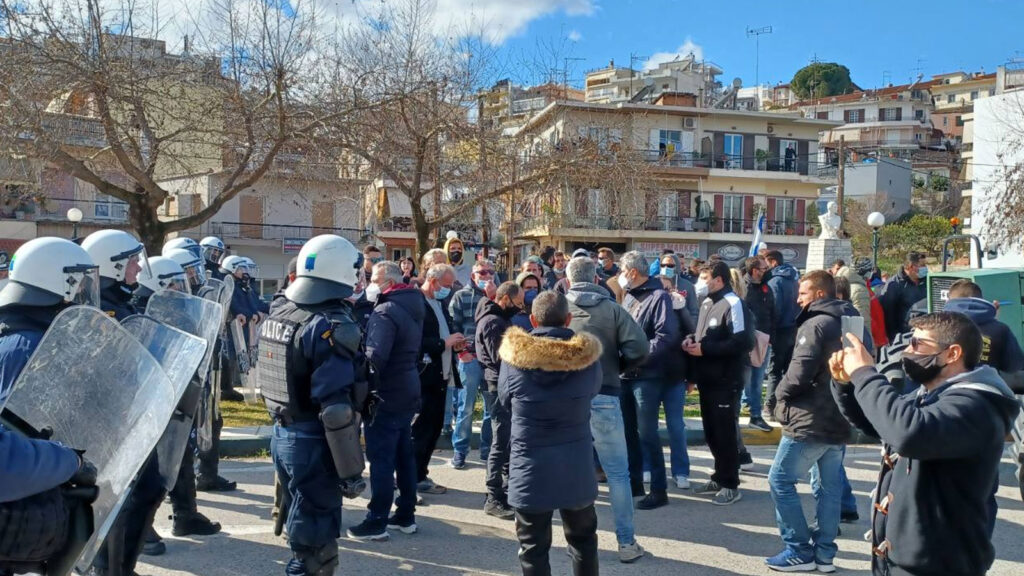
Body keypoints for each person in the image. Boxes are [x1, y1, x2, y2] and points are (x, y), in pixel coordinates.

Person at [830, 312, 1019, 576]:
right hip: (900, 561)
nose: (908, 352)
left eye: (917, 344)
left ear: (952, 353)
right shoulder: (930, 395)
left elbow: (909, 434)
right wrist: (846, 385)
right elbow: (880, 424)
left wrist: (864, 372)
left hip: (942, 566)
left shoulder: (976, 406)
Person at [257, 235, 366, 575]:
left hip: (284, 434)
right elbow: (335, 411)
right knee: (314, 552)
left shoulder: (283, 311)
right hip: (314, 443)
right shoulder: (330, 326)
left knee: (303, 531)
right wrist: (351, 472)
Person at [0, 238, 101, 571]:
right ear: (58, 282)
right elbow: (15, 429)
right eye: (79, 280)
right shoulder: (27, 344)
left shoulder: (25, 333)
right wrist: (65, 461)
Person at [498, 291, 603, 576]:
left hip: (530, 462)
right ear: (568, 319)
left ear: (532, 319)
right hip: (576, 463)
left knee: (532, 546)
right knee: (583, 541)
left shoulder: (513, 360)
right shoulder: (588, 360)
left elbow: (505, 400)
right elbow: (592, 392)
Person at [764, 271, 858, 572]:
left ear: (819, 294)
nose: (798, 299)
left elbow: (798, 372)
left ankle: (798, 549)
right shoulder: (853, 322)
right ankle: (825, 554)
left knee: (780, 480)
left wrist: (777, 397)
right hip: (840, 416)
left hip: (810, 419)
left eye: (803, 293)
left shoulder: (815, 324)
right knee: (829, 488)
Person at [565, 257, 649, 563]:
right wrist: (618, 367)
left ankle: (574, 542)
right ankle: (626, 543)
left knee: (571, 472)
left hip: (568, 399)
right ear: (597, 278)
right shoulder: (613, 309)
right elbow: (640, 347)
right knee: (617, 474)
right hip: (605, 393)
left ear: (568, 277)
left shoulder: (561, 308)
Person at [348, 261, 425, 541]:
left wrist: (357, 374)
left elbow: (375, 357)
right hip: (407, 387)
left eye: (374, 279)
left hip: (386, 392)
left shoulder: (385, 311)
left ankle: (377, 519)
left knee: (381, 458)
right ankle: (406, 514)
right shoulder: (414, 304)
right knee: (404, 453)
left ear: (389, 282)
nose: (370, 284)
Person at [683, 261, 752, 506]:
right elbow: (702, 335)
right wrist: (691, 341)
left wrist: (705, 349)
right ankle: (719, 476)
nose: (701, 282)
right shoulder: (707, 303)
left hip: (727, 380)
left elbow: (743, 342)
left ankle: (731, 484)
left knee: (725, 434)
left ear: (719, 280)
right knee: (712, 433)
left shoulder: (734, 304)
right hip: (707, 379)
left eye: (705, 277)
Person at [618, 251, 682, 510]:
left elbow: (665, 337)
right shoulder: (630, 296)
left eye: (623, 271)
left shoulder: (659, 297)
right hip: (625, 375)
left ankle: (658, 489)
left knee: (647, 434)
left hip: (647, 376)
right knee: (627, 432)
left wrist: (637, 357)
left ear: (633, 272)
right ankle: (635, 483)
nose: (620, 277)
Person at [412, 264, 464, 497]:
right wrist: (445, 343)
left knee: (433, 430)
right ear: (432, 281)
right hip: (425, 377)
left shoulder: (439, 303)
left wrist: (456, 344)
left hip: (442, 375)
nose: (449, 290)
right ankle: (411, 477)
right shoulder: (417, 303)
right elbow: (416, 342)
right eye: (445, 285)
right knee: (421, 430)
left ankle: (420, 473)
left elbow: (444, 333)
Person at [475, 281, 524, 520]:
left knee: (506, 438)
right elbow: (499, 357)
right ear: (505, 299)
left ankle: (505, 487)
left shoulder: (498, 318)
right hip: (496, 385)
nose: (521, 307)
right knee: (500, 439)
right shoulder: (494, 322)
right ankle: (493, 496)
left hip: (500, 383)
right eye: (518, 302)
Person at [447, 259, 497, 469]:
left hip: (490, 361)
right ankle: (460, 451)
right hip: (469, 358)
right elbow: (453, 326)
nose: (485, 276)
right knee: (465, 407)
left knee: (489, 409)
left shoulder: (497, 296)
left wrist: (492, 298)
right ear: (472, 275)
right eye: (481, 272)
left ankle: (486, 451)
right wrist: (461, 352)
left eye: (489, 272)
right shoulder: (460, 296)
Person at [943, 280, 1024, 377]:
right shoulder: (1001, 329)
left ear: (949, 300)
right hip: (986, 388)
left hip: (946, 387)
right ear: (980, 299)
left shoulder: (937, 326)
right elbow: (1013, 366)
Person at [763, 250, 800, 422]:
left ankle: (769, 407)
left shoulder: (774, 281)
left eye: (766, 263)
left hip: (780, 330)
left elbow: (774, 308)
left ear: (773, 262)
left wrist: (771, 331)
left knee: (774, 371)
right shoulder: (794, 279)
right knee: (788, 370)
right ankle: (786, 405)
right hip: (794, 329)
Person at [742, 256, 776, 433]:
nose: (767, 271)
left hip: (764, 340)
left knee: (757, 379)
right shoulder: (744, 289)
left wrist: (770, 337)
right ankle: (751, 411)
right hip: (748, 341)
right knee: (748, 380)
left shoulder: (765, 288)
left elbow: (771, 311)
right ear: (755, 270)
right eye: (764, 268)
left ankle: (755, 414)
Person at [877, 252, 928, 342]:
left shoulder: (927, 281)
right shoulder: (894, 285)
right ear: (911, 266)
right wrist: (894, 338)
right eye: (922, 265)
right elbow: (888, 314)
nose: (926, 268)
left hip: (925, 333)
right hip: (904, 336)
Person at [830, 259, 872, 337]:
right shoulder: (859, 290)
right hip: (855, 337)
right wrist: (868, 343)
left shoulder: (836, 285)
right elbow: (863, 320)